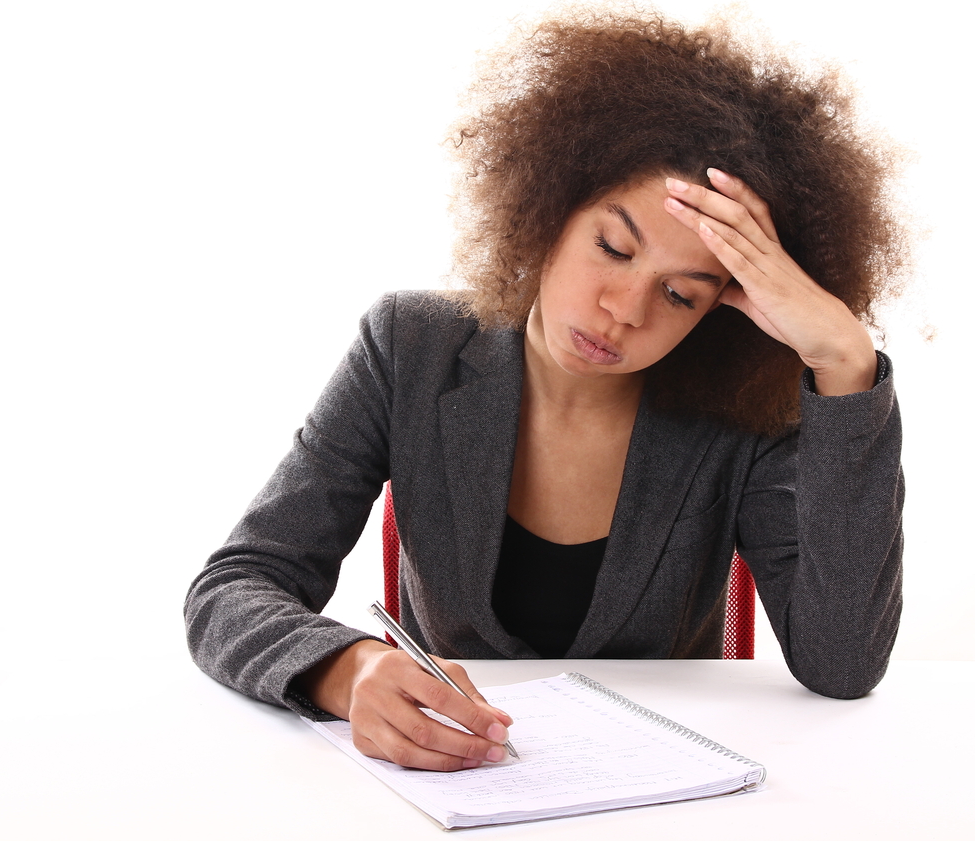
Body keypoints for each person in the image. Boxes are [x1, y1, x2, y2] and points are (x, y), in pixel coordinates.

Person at [185, 6, 907, 773]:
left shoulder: (743, 417)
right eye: (612, 246)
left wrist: (844, 362)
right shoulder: (410, 346)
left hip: (661, 797)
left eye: (681, 296)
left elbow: (843, 663)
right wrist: (348, 668)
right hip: (445, 781)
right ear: (552, 201)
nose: (623, 310)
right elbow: (234, 586)